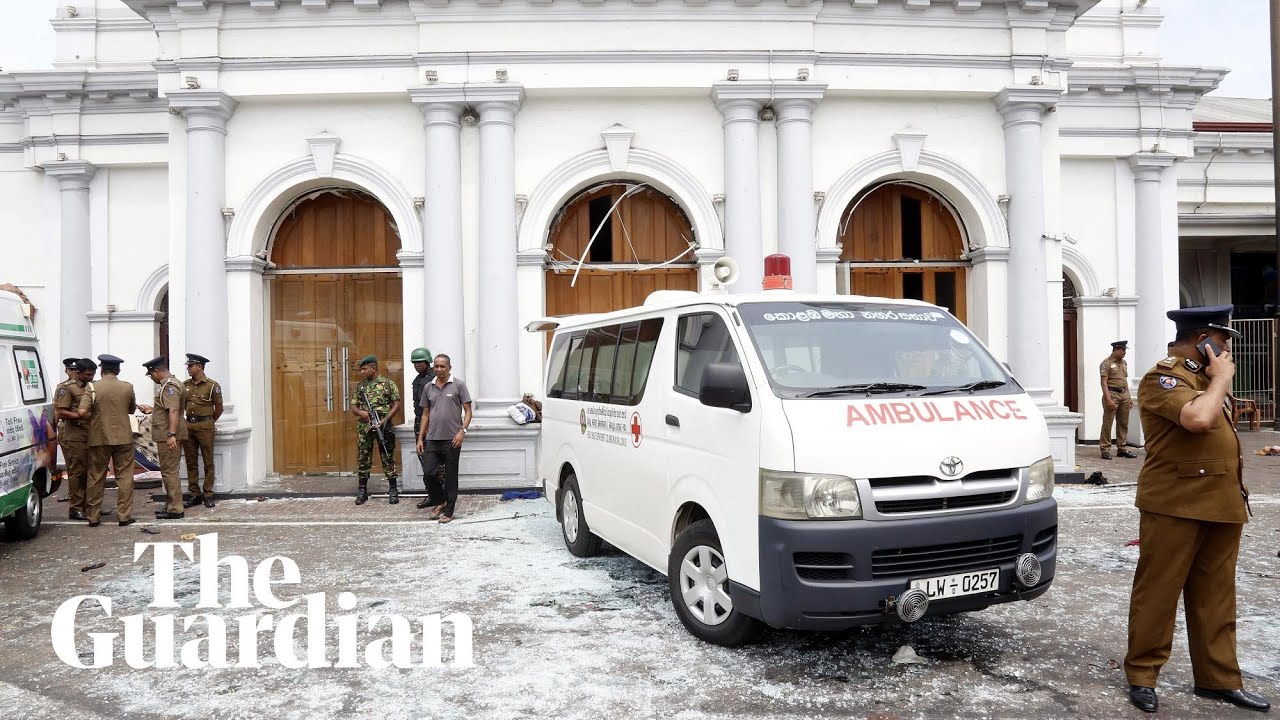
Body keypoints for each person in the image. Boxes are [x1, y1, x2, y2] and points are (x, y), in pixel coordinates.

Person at [1123, 305, 1269, 714]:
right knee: (1159, 594)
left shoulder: (1203, 378)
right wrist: (1220, 379)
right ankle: (1142, 674)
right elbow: (1198, 419)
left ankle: (1218, 679)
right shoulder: (1163, 378)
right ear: (1203, 340)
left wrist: (1215, 380)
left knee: (1216, 597)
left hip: (1221, 502)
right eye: (1222, 343)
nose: (1227, 353)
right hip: (1175, 503)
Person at [415, 353, 472, 523]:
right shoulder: (428, 387)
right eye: (436, 366)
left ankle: (449, 511)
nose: (439, 369)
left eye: (443, 366)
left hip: (452, 439)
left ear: (449, 368)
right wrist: (420, 438)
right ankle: (440, 501)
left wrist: (462, 431)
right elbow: (425, 414)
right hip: (433, 438)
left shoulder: (458, 385)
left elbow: (468, 411)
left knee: (450, 475)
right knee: (428, 473)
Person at [86, 354, 137, 527]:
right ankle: (124, 515)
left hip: (99, 437)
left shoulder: (92, 387)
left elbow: (82, 411)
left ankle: (93, 516)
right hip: (123, 437)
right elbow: (131, 409)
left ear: (101, 370)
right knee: (125, 477)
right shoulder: (127, 387)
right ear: (118, 370)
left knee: (96, 476)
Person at [140, 357, 188, 520]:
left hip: (169, 435)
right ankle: (171, 506)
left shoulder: (170, 387)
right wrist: (153, 409)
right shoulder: (170, 385)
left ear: (156, 371)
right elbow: (167, 408)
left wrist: (171, 434)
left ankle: (175, 509)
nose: (151, 378)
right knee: (168, 471)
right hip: (167, 433)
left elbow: (173, 411)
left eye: (151, 375)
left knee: (169, 472)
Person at [350, 355, 401, 506]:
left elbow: (396, 404)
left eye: (365, 369)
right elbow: (353, 406)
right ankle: (362, 490)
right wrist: (361, 413)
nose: (362, 372)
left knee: (387, 455)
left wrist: (385, 420)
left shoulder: (388, 383)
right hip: (365, 427)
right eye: (361, 369)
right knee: (363, 458)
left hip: (383, 426)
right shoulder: (361, 386)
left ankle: (393, 489)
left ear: (374, 368)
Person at [54, 358, 94, 520]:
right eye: (87, 375)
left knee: (92, 472)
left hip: (92, 435)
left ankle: (90, 505)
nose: (90, 377)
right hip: (75, 436)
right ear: (78, 373)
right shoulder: (66, 388)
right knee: (77, 472)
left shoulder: (92, 387)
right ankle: (76, 507)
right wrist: (80, 415)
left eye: (92, 374)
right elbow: (61, 411)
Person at [182, 353, 222, 509]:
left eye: (191, 366)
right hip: (188, 426)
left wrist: (210, 422)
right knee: (191, 462)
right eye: (188, 366)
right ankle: (194, 493)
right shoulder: (185, 385)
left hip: (205, 426)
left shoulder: (212, 386)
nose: (188, 369)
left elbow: (219, 408)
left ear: (199, 366)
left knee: (208, 461)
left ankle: (208, 493)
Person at [1099, 340, 1137, 460]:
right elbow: (1103, 383)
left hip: (1124, 395)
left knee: (1123, 423)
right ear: (1116, 349)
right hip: (1112, 394)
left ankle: (1122, 448)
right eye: (1123, 350)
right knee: (1108, 423)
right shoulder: (1106, 363)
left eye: (1125, 350)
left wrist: (1129, 397)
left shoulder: (1124, 363)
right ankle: (1105, 449)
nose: (1125, 352)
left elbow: (1125, 381)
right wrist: (1108, 399)